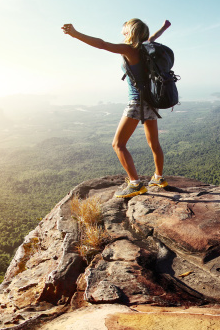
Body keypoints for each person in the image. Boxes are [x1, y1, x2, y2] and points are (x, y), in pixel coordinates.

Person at [61, 19, 171, 198]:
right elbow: (153, 37)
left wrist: (75, 34)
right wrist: (164, 28)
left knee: (118, 144)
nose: (122, 32)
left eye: (124, 30)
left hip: (136, 102)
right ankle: (159, 177)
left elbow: (102, 44)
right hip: (151, 101)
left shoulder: (129, 49)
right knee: (154, 144)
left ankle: (135, 184)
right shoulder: (146, 48)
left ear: (131, 32)